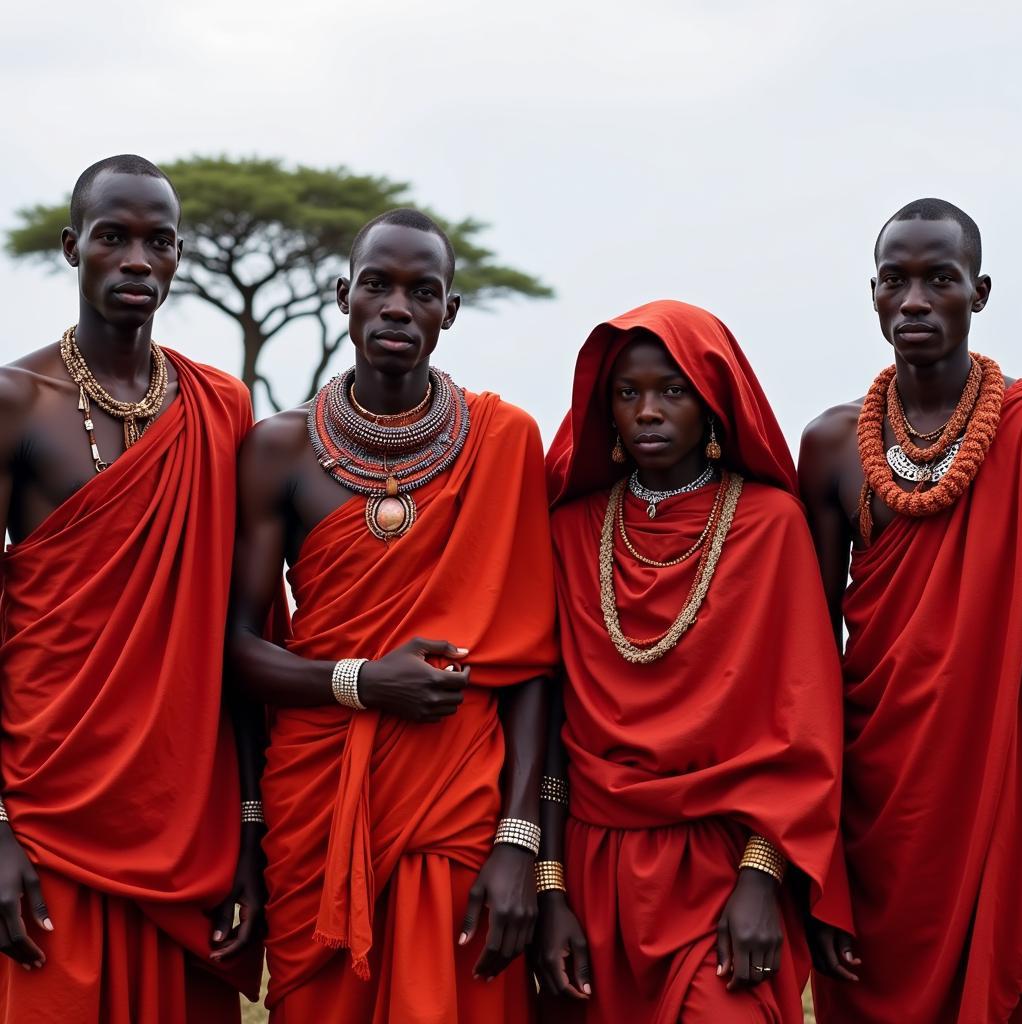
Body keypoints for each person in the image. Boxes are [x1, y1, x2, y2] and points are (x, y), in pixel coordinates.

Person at [227, 208, 558, 1022]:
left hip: (458, 801)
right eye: (377, 285)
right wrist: (364, 683)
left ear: (451, 310)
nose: (398, 307)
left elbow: (530, 667)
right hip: (319, 795)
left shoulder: (506, 441)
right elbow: (234, 649)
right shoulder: (279, 449)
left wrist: (520, 843)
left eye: (423, 291)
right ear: (343, 295)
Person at [0, 155, 264, 1021]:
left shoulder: (220, 408)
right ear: (74, 247)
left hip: (184, 815)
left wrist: (251, 834)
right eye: (114, 237)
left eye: (159, 242)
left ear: (179, 257)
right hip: (46, 805)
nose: (137, 261)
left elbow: (247, 629)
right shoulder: (15, 402)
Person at [536, 300, 850, 1023]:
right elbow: (545, 719)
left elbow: (802, 720)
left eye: (672, 392)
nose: (648, 411)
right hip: (591, 866)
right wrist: (550, 886)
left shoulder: (770, 524)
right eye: (627, 393)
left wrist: (761, 880)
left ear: (713, 403)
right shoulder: (570, 528)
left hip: (723, 862)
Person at [800, 198, 1022, 1023]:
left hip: (997, 769)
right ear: (873, 294)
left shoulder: (1020, 429)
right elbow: (811, 648)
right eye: (896, 281)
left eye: (942, 279)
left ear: (982, 292)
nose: (916, 300)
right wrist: (815, 849)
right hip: (876, 785)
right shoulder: (831, 445)